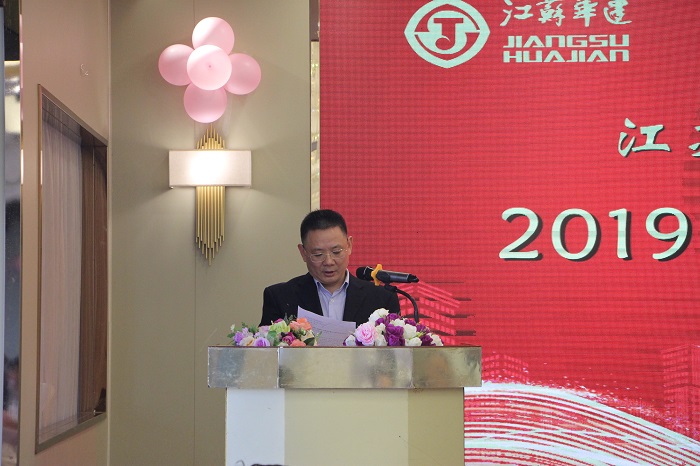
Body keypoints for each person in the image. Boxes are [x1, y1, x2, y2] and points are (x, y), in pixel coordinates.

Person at [260, 209, 400, 327]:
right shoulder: (280, 297)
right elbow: (267, 349)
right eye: (318, 254)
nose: (328, 261)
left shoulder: (382, 299)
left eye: (336, 252)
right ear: (303, 253)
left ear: (349, 245)